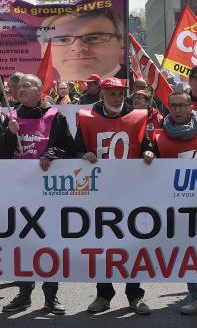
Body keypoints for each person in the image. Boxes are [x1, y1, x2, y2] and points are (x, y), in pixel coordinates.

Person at [74, 77, 152, 314]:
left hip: (130, 191)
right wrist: (82, 153)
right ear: (102, 95)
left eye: (119, 94)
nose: (116, 98)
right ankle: (103, 295)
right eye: (111, 93)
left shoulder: (137, 116)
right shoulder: (86, 118)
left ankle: (135, 296)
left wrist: (149, 150)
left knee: (132, 243)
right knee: (102, 244)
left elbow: (147, 144)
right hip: (100, 192)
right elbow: (74, 147)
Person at [1, 74, 73, 315]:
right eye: (19, 86)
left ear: (40, 91)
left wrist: (52, 152)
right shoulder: (11, 117)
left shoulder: (55, 116)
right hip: (20, 191)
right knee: (23, 244)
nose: (22, 90)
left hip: (49, 192)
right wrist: (9, 134)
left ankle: (51, 296)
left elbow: (69, 148)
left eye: (27, 86)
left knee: (49, 243)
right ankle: (24, 294)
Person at [143, 90, 197, 314]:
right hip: (180, 205)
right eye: (173, 106)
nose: (177, 110)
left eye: (182, 105)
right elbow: (151, 166)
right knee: (190, 251)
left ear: (191, 107)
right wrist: (149, 153)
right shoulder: (159, 137)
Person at [38, 8, 126, 81]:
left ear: (122, 45)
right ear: (44, 50)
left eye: (94, 38)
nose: (78, 48)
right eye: (63, 39)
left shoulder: (134, 86)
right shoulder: (42, 92)